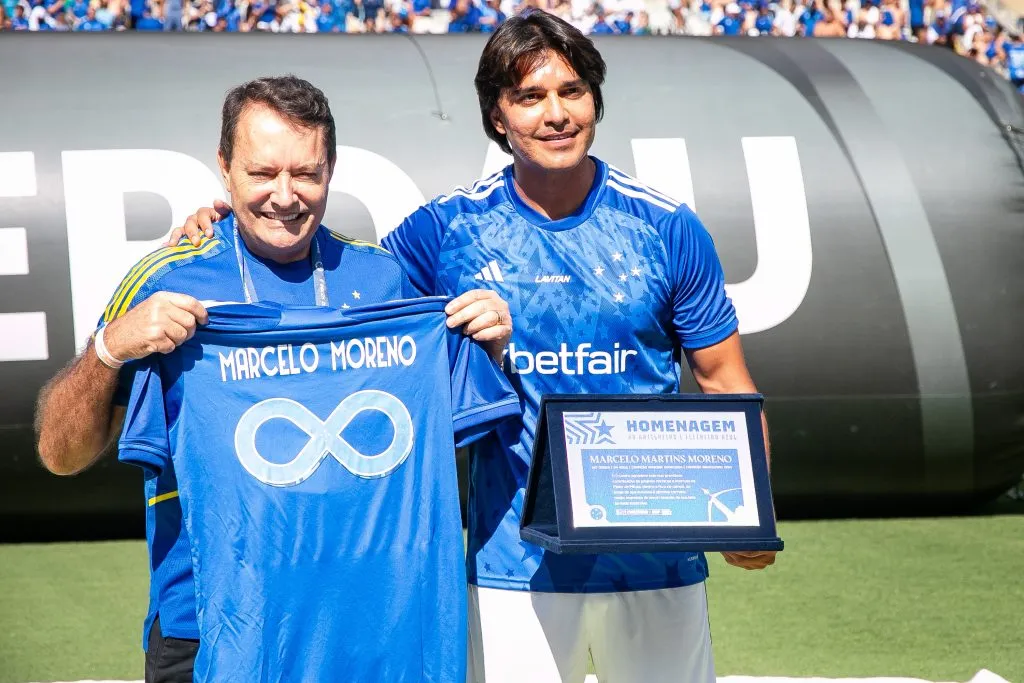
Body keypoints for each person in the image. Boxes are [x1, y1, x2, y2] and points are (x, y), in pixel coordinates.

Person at [173, 10, 776, 682]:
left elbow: (726, 383)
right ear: (498, 116)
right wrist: (224, 221)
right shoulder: (443, 231)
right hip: (509, 568)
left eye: (572, 92)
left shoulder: (668, 228)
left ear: (595, 101)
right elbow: (342, 278)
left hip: (658, 563)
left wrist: (750, 517)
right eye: (530, 97)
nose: (556, 114)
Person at [34, 75, 511, 683]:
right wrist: (109, 348)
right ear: (224, 168)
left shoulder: (383, 282)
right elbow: (59, 454)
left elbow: (434, 451)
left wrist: (488, 351)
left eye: (305, 173)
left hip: (364, 621)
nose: (284, 196)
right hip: (205, 625)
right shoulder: (165, 279)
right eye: (262, 174)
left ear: (331, 169)